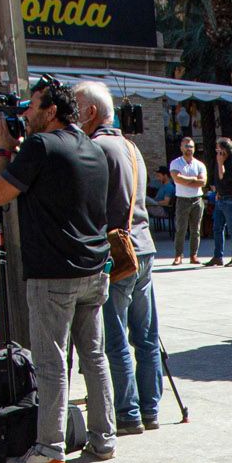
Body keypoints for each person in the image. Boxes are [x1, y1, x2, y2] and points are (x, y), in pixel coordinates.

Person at [0, 77, 116, 463]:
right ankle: (104, 438)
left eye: (33, 105)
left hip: (53, 274)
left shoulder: (41, 146)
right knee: (94, 357)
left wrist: (3, 151)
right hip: (94, 268)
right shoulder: (93, 148)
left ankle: (50, 446)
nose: (26, 113)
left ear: (52, 111)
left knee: (50, 362)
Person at [74, 80, 162, 433]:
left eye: (77, 108)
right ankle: (150, 407)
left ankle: (127, 412)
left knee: (116, 338)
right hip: (144, 247)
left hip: (117, 252)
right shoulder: (130, 146)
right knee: (145, 335)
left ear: (91, 112)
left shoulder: (96, 148)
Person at [167, 137, 206, 264]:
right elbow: (177, 179)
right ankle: (178, 255)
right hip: (182, 200)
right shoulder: (175, 163)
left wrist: (186, 180)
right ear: (181, 148)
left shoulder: (199, 164)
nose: (189, 149)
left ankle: (194, 255)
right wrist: (194, 180)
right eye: (186, 146)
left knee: (196, 229)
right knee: (181, 229)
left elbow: (203, 182)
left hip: (197, 199)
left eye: (191, 147)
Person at [207, 136, 232, 267]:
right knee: (217, 228)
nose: (218, 153)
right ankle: (218, 256)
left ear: (226, 150)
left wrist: (220, 163)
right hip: (221, 198)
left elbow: (224, 179)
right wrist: (217, 192)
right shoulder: (219, 162)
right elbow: (217, 180)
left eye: (220, 150)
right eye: (217, 150)